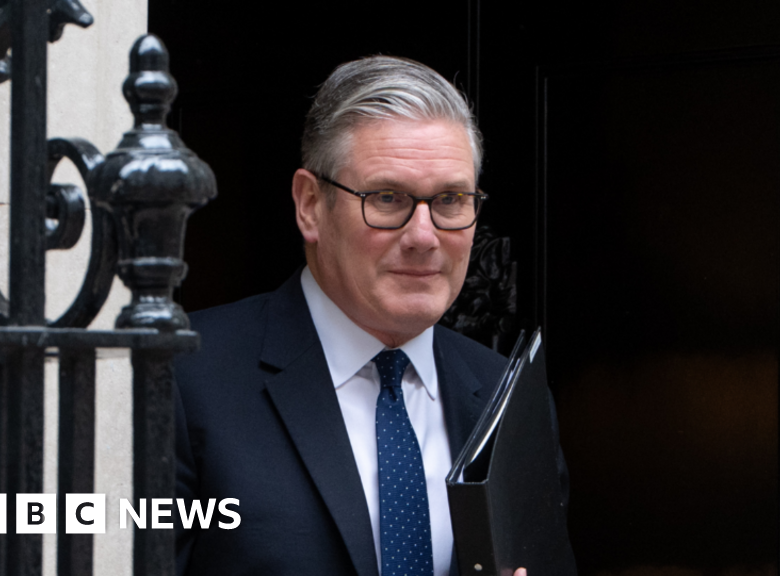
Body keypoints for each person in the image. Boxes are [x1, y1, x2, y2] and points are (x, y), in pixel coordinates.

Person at [173, 55, 566, 576]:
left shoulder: (506, 399)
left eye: (450, 199)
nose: (424, 236)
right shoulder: (181, 377)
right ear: (310, 205)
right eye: (386, 198)